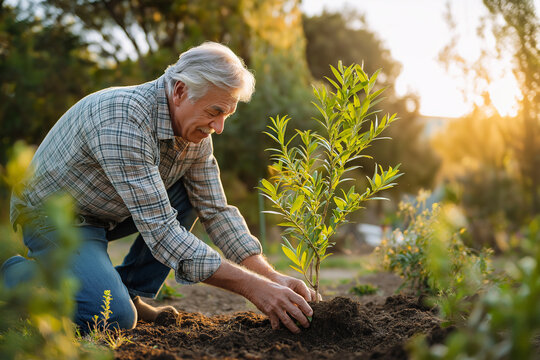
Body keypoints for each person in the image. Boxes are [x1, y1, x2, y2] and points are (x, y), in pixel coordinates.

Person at [1, 42, 316, 334]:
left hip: (103, 212)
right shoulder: (122, 119)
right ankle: (14, 279)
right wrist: (254, 288)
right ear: (180, 91)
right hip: (51, 216)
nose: (218, 128)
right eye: (215, 112)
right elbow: (161, 231)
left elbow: (216, 211)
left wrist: (270, 277)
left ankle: (129, 292)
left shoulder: (195, 136)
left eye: (227, 115)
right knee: (113, 318)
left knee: (189, 194)